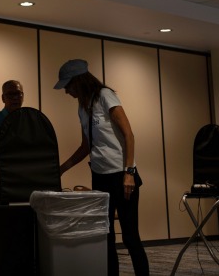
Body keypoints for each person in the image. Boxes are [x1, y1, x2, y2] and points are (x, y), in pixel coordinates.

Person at [56, 59, 149, 276]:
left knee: (130, 236)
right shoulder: (82, 108)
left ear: (78, 81)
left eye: (67, 86)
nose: (66, 91)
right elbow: (86, 146)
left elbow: (129, 134)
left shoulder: (106, 96)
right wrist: (62, 168)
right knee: (105, 236)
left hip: (121, 175)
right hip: (99, 177)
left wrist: (129, 172)